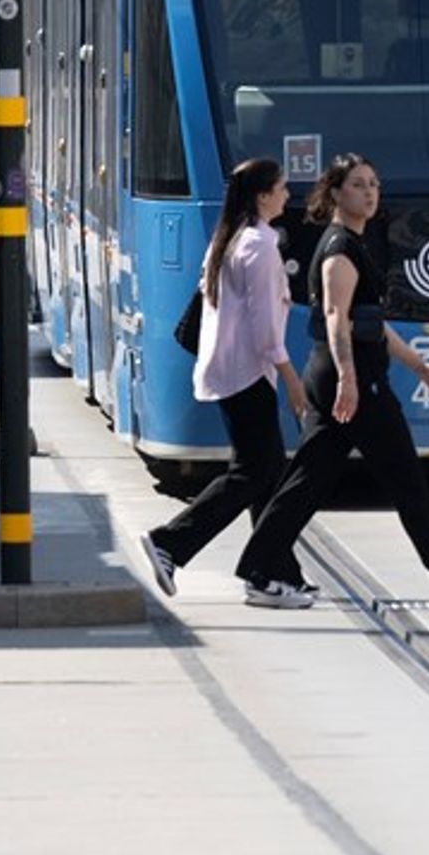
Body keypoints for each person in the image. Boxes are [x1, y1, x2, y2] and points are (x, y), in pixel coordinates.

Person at [230, 156, 429, 609]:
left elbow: (370, 323)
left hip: (341, 375)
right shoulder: (340, 249)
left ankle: (261, 567)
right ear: (336, 193)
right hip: (353, 380)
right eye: (358, 185)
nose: (370, 192)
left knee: (307, 482)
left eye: (374, 184)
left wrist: (420, 366)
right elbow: (338, 320)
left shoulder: (352, 243)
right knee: (405, 478)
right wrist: (350, 381)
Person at [138, 158, 314, 598]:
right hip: (245, 373)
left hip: (233, 370)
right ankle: (170, 543)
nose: (287, 196)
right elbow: (264, 327)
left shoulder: (231, 237)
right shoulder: (257, 245)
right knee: (252, 474)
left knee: (267, 471)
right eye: (282, 188)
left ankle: (272, 572)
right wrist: (291, 377)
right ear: (262, 196)